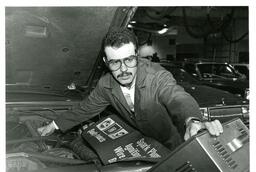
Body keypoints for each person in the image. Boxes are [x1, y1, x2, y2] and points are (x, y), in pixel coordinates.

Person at [38, 27, 223, 151]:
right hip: (143, 145)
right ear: (105, 62)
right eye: (115, 62)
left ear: (137, 55)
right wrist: (53, 125)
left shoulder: (156, 77)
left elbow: (177, 97)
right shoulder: (105, 85)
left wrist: (192, 120)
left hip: (175, 145)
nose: (124, 69)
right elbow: (85, 109)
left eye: (129, 60)